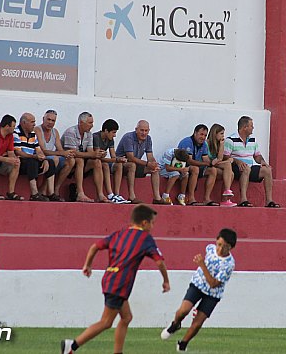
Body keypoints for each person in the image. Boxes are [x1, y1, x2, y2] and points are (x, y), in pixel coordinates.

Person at [60, 205, 170, 354]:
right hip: (120, 283)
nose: (153, 226)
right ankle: (71, 346)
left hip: (110, 279)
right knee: (106, 322)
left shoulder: (120, 234)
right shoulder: (145, 238)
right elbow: (159, 261)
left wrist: (88, 265)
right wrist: (166, 280)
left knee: (126, 317)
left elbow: (94, 246)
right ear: (144, 223)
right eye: (152, 222)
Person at [160, 228, 237, 352]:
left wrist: (202, 265)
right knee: (183, 311)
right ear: (216, 241)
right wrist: (202, 265)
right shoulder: (210, 248)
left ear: (231, 248)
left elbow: (213, 284)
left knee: (198, 322)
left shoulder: (229, 264)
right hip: (198, 285)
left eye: (226, 247)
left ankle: (183, 344)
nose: (221, 249)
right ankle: (175, 324)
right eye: (219, 244)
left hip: (213, 294)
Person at [223, 116, 280, 208]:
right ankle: (243, 199)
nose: (252, 128)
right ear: (244, 127)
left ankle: (269, 201)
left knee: (267, 170)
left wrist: (263, 162)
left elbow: (257, 155)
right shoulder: (230, 140)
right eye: (251, 126)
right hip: (236, 167)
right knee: (246, 169)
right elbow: (225, 157)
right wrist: (237, 161)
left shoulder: (253, 140)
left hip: (249, 166)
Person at [115, 120, 167, 205]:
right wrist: (147, 164)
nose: (144, 133)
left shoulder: (148, 139)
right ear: (136, 129)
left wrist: (153, 164)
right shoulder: (128, 137)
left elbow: (150, 156)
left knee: (155, 169)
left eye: (146, 131)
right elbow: (130, 157)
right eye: (141, 130)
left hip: (137, 165)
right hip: (121, 164)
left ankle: (157, 198)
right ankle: (132, 196)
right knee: (132, 165)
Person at [62, 112, 110, 203]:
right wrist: (93, 154)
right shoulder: (71, 132)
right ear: (81, 122)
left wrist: (98, 154)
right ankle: (80, 193)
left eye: (92, 123)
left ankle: (100, 194)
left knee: (97, 162)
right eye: (90, 123)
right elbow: (73, 153)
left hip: (81, 162)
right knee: (80, 160)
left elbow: (90, 152)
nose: (92, 126)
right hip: (68, 161)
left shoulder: (89, 134)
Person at [14, 113, 58, 201]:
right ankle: (34, 194)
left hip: (32, 159)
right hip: (21, 161)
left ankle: (51, 193)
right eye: (32, 122)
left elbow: (38, 149)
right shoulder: (16, 132)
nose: (34, 124)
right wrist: (34, 156)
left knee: (51, 162)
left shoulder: (33, 133)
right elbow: (18, 152)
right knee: (32, 162)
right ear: (23, 123)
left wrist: (44, 158)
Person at [35, 109, 73, 202]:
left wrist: (67, 154)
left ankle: (56, 189)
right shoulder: (37, 129)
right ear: (43, 119)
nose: (50, 122)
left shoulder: (55, 132)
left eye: (53, 121)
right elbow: (43, 151)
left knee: (71, 161)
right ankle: (43, 189)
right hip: (39, 157)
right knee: (54, 159)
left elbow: (60, 148)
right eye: (48, 119)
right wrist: (61, 153)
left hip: (51, 157)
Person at [178, 125, 219, 206]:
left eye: (205, 135)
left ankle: (206, 199)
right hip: (181, 167)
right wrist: (206, 163)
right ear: (195, 133)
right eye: (201, 134)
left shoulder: (203, 144)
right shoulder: (187, 142)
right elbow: (189, 161)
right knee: (195, 169)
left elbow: (206, 159)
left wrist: (213, 163)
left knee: (213, 170)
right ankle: (191, 198)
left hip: (194, 167)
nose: (203, 137)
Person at [92, 119, 131, 204]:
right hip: (93, 162)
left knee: (119, 165)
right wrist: (115, 159)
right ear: (106, 131)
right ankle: (110, 194)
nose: (115, 135)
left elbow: (113, 156)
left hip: (102, 160)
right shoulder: (96, 137)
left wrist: (119, 159)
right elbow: (97, 156)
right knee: (105, 165)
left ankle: (116, 194)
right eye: (113, 132)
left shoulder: (110, 139)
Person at [207, 123, 236, 207]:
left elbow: (219, 158)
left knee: (232, 173)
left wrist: (222, 145)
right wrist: (222, 161)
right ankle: (227, 191)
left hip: (216, 164)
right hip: (209, 165)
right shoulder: (207, 143)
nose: (223, 136)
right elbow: (212, 161)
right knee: (227, 165)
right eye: (221, 133)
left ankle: (225, 199)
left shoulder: (220, 143)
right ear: (215, 133)